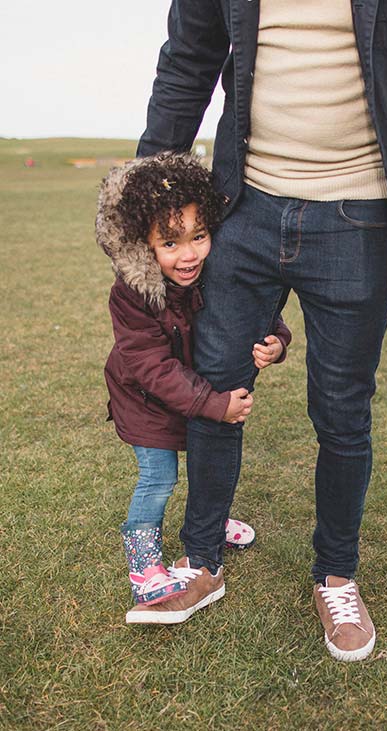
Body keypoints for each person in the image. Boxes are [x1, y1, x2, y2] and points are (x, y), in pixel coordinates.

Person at [131, 0, 387, 661]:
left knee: (342, 409)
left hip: (360, 215)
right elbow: (187, 62)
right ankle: (202, 560)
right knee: (213, 385)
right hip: (239, 206)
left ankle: (335, 576)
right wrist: (145, 196)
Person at [97, 152, 292, 623]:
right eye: (170, 243)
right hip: (145, 403)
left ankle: (212, 523)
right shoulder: (133, 293)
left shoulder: (213, 273)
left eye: (199, 237)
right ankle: (144, 566)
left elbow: (255, 314)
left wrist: (277, 343)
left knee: (208, 458)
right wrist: (212, 403)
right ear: (144, 246)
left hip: (193, 393)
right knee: (159, 478)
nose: (189, 255)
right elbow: (150, 367)